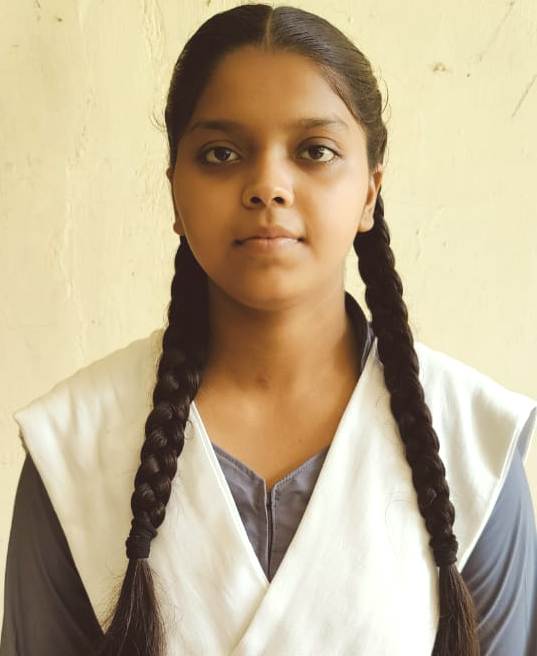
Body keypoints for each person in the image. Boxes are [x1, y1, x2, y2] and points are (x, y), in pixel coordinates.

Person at [2, 4, 537, 655]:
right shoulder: (74, 444)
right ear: (175, 193)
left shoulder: (474, 442)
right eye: (221, 153)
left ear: (370, 192)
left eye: (315, 152)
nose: (267, 186)